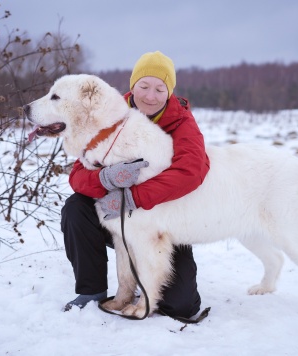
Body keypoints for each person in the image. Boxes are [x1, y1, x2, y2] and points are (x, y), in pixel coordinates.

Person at [61, 51, 210, 318]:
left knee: (181, 306)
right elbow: (77, 175)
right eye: (144, 86)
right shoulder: (107, 113)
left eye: (159, 89)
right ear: (133, 85)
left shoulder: (181, 121)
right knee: (75, 209)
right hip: (112, 213)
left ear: (170, 92)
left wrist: (134, 197)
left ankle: (147, 281)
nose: (150, 96)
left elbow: (192, 171)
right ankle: (91, 290)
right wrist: (104, 178)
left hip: (161, 221)